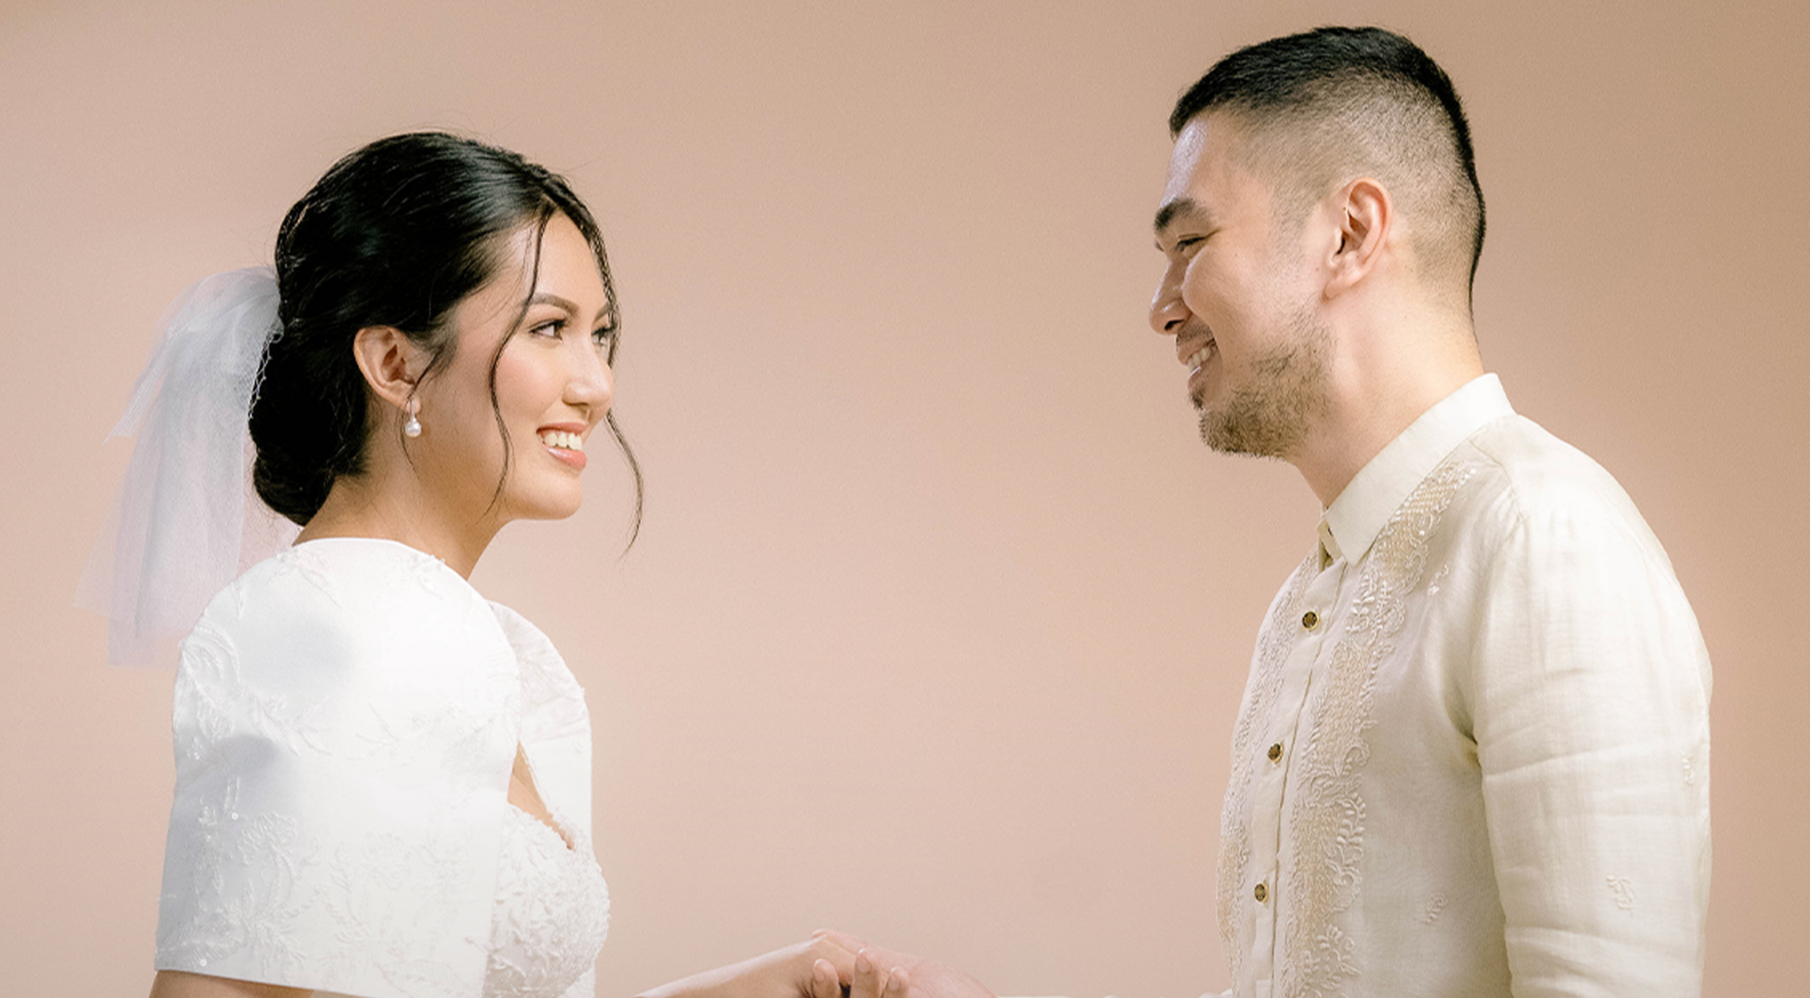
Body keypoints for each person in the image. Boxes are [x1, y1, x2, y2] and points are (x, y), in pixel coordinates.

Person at [826, 25, 1713, 998]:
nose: (1162, 307)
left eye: (1190, 243)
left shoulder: (1543, 535)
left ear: (1349, 234)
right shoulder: (1310, 596)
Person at [87, 132, 859, 998]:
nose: (597, 385)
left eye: (600, 334)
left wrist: (767, 986)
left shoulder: (467, 638)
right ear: (394, 363)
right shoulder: (332, 624)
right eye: (549, 328)